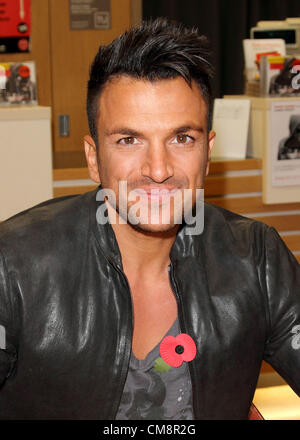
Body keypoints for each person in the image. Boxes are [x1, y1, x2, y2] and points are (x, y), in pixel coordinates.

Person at [0, 17, 299, 421]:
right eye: (129, 140)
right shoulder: (14, 264)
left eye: (182, 138)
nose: (158, 169)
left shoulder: (255, 258)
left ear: (207, 152)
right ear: (93, 158)